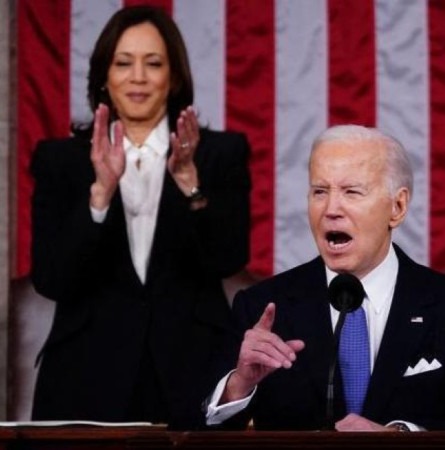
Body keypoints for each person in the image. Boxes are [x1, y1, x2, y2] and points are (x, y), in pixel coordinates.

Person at [204, 124, 445, 431]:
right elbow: (198, 435)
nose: (331, 209)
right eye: (319, 192)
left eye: (351, 192)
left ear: (398, 207)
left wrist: (401, 439)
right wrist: (239, 385)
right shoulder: (261, 309)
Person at [30, 5, 249, 427]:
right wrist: (99, 194)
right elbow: (52, 278)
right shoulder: (60, 160)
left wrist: (190, 184)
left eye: (153, 63)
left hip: (191, 368)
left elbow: (227, 258)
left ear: (174, 76)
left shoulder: (220, 154)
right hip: (85, 375)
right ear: (104, 76)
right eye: (123, 63)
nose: (138, 77)